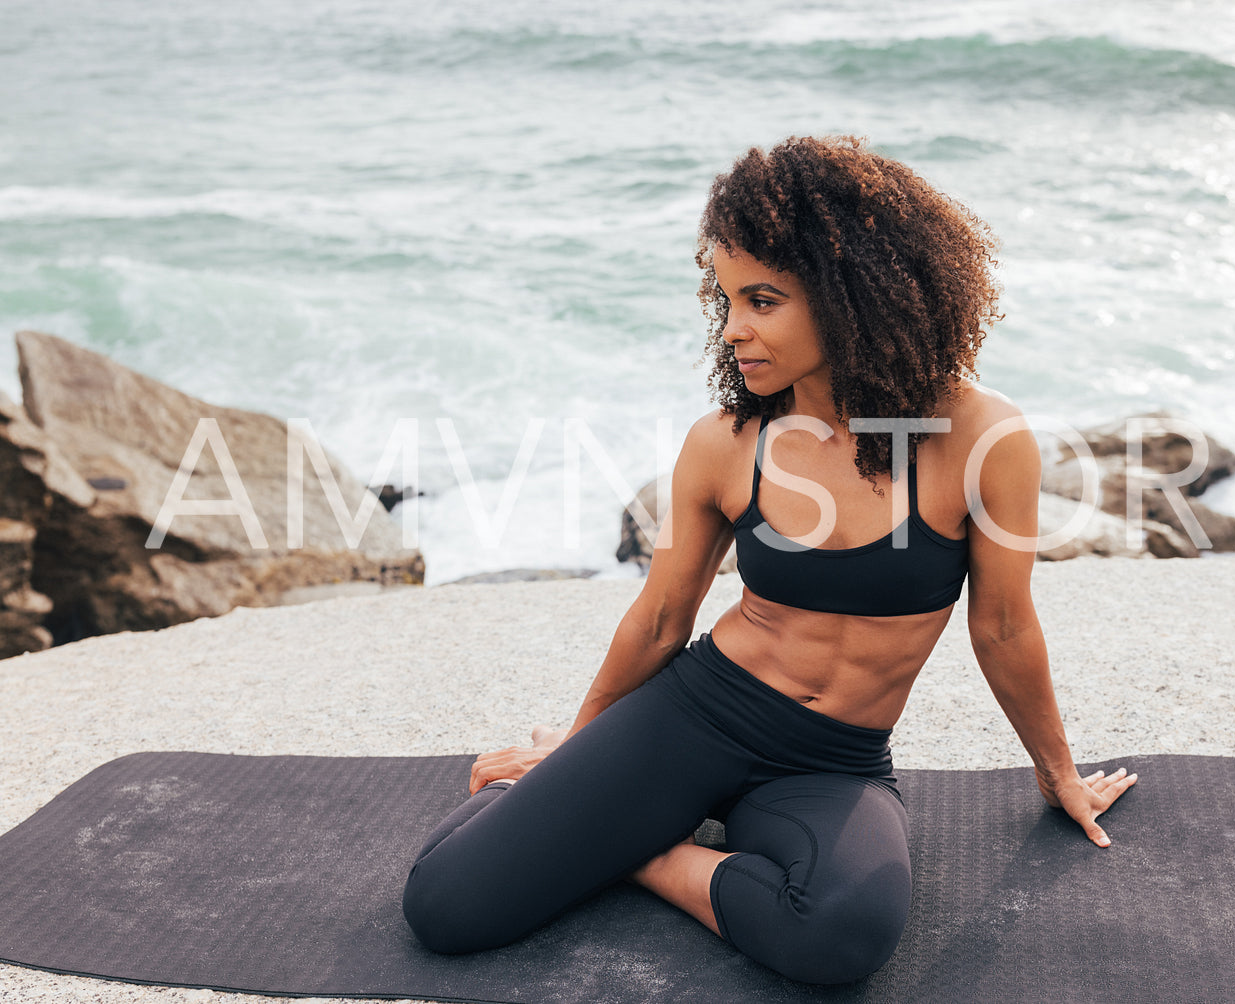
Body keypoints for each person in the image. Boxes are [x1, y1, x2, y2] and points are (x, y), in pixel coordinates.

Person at [402, 135, 1137, 985]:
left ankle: (642, 849)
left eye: (761, 300)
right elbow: (660, 618)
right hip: (696, 715)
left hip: (833, 760)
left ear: (849, 294)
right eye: (725, 300)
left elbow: (1004, 626)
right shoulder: (726, 445)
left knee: (841, 938)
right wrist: (579, 739)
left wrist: (1056, 776)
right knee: (446, 906)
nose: (733, 329)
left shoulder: (982, 439)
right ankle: (609, 813)